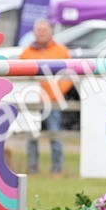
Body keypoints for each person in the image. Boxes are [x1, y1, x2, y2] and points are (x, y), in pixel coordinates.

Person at [18, 18, 72, 175]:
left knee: (55, 136)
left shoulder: (61, 51)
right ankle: (32, 169)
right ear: (34, 32)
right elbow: (20, 77)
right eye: (38, 30)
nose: (41, 33)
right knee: (31, 136)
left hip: (53, 102)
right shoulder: (26, 53)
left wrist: (55, 93)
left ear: (50, 31)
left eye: (44, 30)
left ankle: (57, 170)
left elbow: (69, 75)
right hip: (33, 102)